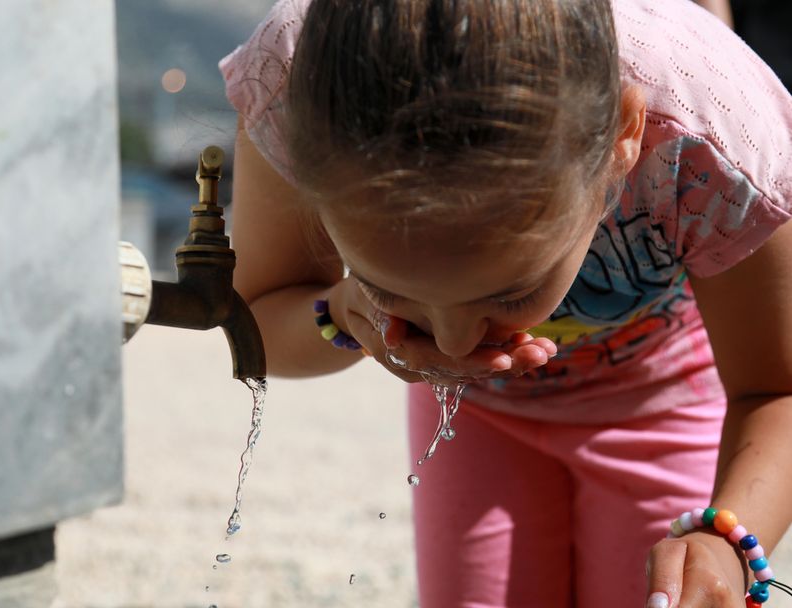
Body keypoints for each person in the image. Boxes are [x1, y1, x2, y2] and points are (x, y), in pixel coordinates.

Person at [219, 0, 792, 606]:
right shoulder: (297, 81)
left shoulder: (715, 143)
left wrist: (727, 542)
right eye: (391, 287)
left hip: (664, 400)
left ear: (624, 138)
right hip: (477, 420)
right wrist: (339, 314)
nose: (453, 343)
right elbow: (258, 317)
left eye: (511, 290)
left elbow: (776, 389)